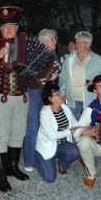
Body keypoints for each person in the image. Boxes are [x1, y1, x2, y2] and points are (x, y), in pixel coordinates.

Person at [0, 5, 55, 192]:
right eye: (5, 27)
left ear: (17, 27)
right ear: (1, 29)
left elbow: (39, 69)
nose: (9, 29)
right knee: (1, 135)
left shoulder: (26, 44)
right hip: (1, 96)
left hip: (23, 97)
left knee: (19, 133)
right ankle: (0, 176)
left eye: (12, 26)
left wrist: (48, 75)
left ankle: (12, 167)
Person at [23, 29, 59, 172]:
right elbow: (28, 76)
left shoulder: (54, 55)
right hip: (33, 94)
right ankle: (28, 161)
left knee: (43, 128)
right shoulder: (35, 55)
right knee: (32, 128)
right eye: (53, 39)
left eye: (55, 39)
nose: (55, 42)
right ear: (43, 41)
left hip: (46, 94)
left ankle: (39, 158)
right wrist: (46, 78)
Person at [59, 31, 101, 120]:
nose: (78, 45)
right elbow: (63, 77)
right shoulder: (70, 58)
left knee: (89, 127)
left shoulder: (97, 59)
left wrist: (96, 81)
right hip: (72, 100)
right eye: (77, 42)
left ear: (88, 44)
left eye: (81, 42)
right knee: (73, 128)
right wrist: (62, 92)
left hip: (89, 100)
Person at [35, 83, 80, 183]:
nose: (60, 94)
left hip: (62, 145)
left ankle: (61, 165)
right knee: (50, 178)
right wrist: (70, 131)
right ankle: (38, 159)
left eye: (59, 92)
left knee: (75, 151)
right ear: (50, 98)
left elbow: (75, 123)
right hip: (47, 147)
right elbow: (52, 135)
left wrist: (85, 129)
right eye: (57, 93)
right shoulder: (45, 112)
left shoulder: (64, 107)